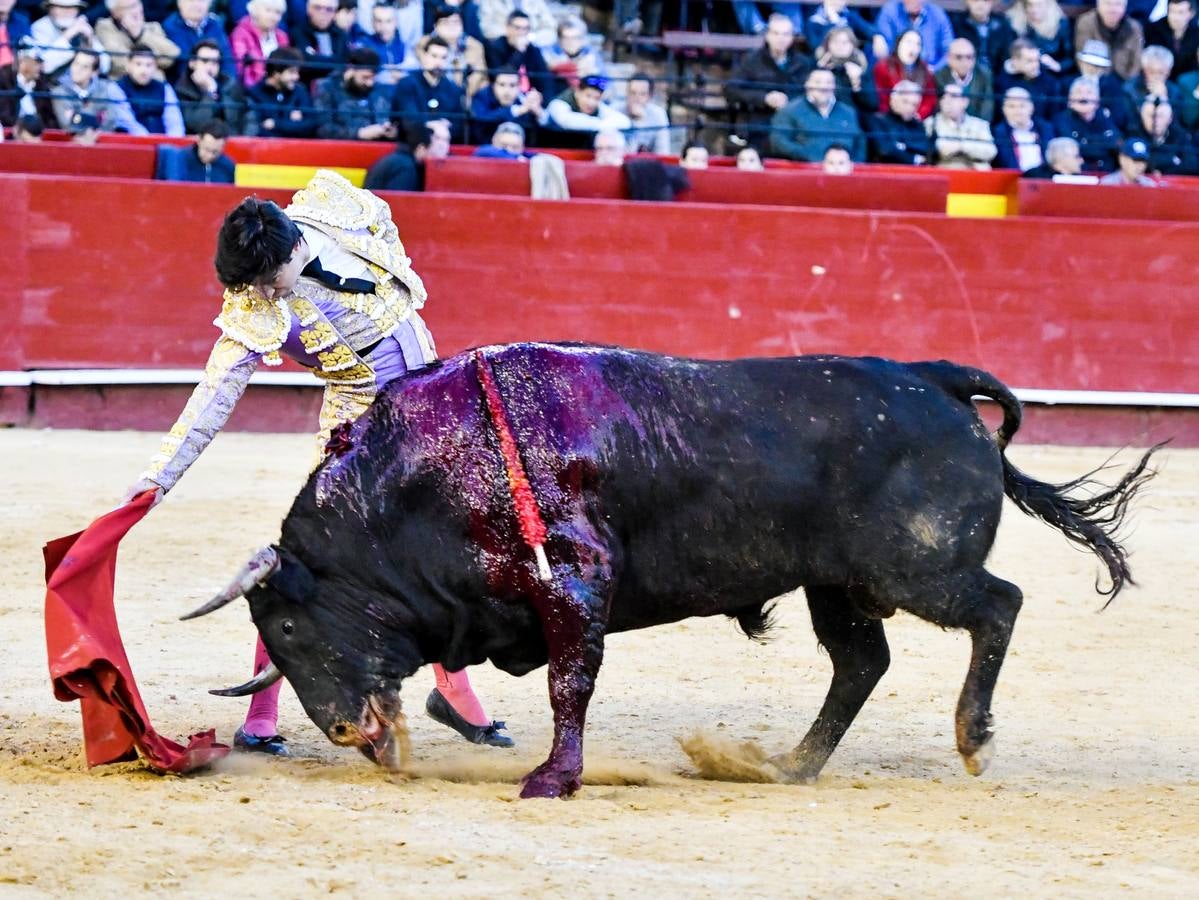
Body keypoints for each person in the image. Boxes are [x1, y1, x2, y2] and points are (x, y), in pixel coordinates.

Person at [122, 168, 513, 754]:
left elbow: (384, 226)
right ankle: (261, 715)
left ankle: (451, 691)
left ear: (293, 246)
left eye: (269, 281)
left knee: (445, 544)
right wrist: (159, 478)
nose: (265, 295)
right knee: (321, 562)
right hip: (359, 425)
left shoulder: (336, 207)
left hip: (432, 397)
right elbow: (215, 392)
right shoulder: (256, 304)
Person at [724, 13, 812, 152]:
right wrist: (764, 98)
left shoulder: (803, 63)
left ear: (792, 37)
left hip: (795, 123)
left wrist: (789, 101)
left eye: (786, 34)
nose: (780, 39)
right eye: (776, 33)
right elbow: (731, 89)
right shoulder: (751, 60)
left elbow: (810, 91)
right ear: (767, 35)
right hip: (760, 121)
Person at [771, 67, 865, 161]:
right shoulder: (789, 111)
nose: (823, 87)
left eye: (829, 82)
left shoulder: (848, 112)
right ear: (807, 84)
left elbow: (860, 143)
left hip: (843, 172)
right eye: (817, 82)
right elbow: (779, 141)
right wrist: (806, 156)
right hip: (804, 170)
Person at [391, 34, 465, 143]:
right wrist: (435, 125)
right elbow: (409, 120)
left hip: (444, 144)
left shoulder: (453, 89)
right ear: (424, 56)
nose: (438, 62)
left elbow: (459, 126)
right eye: (434, 56)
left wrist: (444, 127)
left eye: (443, 57)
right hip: (409, 145)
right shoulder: (407, 84)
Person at [313, 45, 396, 139]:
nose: (370, 83)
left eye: (373, 78)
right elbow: (323, 129)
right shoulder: (327, 87)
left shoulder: (377, 89)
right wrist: (359, 134)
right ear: (351, 69)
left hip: (377, 146)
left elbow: (385, 119)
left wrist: (391, 131)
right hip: (341, 148)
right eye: (365, 77)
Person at [51, 47, 140, 132]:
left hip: (101, 144)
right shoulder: (58, 92)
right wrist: (98, 118)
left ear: (94, 72)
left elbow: (110, 121)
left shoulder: (105, 88)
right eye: (76, 64)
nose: (77, 70)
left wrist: (76, 116)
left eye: (84, 67)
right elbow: (67, 125)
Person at [174, 38, 246, 134]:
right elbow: (196, 125)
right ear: (192, 63)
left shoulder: (229, 84)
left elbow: (236, 119)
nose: (209, 67)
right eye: (204, 61)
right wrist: (209, 91)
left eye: (215, 62)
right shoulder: (181, 89)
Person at [245, 46, 320, 137]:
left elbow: (311, 125)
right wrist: (292, 123)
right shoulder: (255, 93)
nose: (297, 77)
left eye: (297, 72)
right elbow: (259, 130)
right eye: (292, 72)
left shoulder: (300, 90)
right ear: (276, 73)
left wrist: (276, 124)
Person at [96, 0, 179, 81]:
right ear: (115, 13)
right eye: (128, 8)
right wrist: (153, 66)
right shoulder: (105, 27)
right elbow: (118, 60)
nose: (135, 11)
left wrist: (140, 35)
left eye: (136, 4)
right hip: (122, 85)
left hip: (155, 86)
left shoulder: (153, 27)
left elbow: (171, 56)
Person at [1052, 75, 1120, 173]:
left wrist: (1085, 141)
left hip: (1106, 172)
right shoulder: (1061, 120)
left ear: (1097, 100)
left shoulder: (1105, 118)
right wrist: (1101, 142)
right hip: (1075, 174)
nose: (1083, 97)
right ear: (1069, 99)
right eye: (1078, 92)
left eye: (1089, 92)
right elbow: (1072, 148)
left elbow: (1115, 143)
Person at [30, 0, 110, 79]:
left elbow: (105, 66)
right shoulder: (39, 27)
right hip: (51, 85)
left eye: (72, 7)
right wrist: (68, 35)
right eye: (61, 7)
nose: (66, 12)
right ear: (50, 9)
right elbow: (45, 66)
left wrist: (89, 41)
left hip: (82, 83)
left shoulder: (80, 25)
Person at [118, 43, 185, 134]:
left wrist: (172, 144)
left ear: (155, 67)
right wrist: (147, 141)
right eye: (138, 64)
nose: (144, 70)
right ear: (128, 65)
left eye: (149, 65)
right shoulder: (117, 88)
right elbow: (126, 122)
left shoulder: (165, 88)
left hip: (165, 144)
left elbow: (174, 122)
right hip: (132, 144)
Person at [162, 0, 236, 83]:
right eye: (191, 1)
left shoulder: (215, 24)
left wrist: (226, 86)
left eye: (201, 1)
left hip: (218, 85)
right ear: (180, 3)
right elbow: (182, 66)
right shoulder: (170, 27)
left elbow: (227, 60)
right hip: (185, 88)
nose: (196, 4)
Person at [363, 119, 451, 190]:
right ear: (422, 148)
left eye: (446, 140)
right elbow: (399, 203)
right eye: (438, 139)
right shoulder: (406, 167)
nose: (443, 145)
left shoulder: (398, 160)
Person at [926, 81, 996, 168]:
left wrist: (961, 146)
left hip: (975, 173)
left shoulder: (980, 125)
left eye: (953, 96)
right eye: (944, 97)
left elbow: (990, 151)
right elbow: (942, 150)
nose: (947, 101)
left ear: (965, 102)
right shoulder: (931, 123)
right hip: (946, 172)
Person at [468, 64, 543, 145]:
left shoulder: (524, 100)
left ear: (519, 87)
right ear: (493, 86)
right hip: (485, 150)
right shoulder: (482, 96)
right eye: (502, 85)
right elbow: (480, 120)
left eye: (512, 85)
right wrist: (516, 110)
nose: (507, 91)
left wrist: (539, 113)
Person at [483, 10, 552, 98]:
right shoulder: (495, 47)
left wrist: (544, 101)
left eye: (525, 28)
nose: (521, 33)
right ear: (508, 28)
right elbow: (502, 77)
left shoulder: (532, 50)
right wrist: (519, 52)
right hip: (503, 98)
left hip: (531, 98)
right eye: (517, 28)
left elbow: (544, 78)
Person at [995, 36, 1062, 121]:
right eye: (1029, 61)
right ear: (1015, 61)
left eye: (1037, 60)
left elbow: (1054, 115)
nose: (1035, 65)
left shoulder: (1049, 81)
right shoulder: (1001, 83)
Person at [873, 28, 936, 119]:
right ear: (898, 44)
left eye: (917, 44)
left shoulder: (924, 69)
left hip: (915, 120)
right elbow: (881, 98)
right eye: (908, 42)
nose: (913, 48)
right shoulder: (883, 67)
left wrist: (918, 115)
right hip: (890, 119)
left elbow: (929, 98)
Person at [1074, 0, 1144, 81]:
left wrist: (1129, 84)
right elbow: (1082, 56)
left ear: (1124, 7)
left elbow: (1136, 62)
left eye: (1118, 4)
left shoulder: (1135, 28)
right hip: (1093, 78)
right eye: (1108, 3)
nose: (1113, 9)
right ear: (1098, 5)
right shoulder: (1086, 22)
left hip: (1123, 82)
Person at [817, 26, 879, 117]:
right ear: (827, 45)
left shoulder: (861, 69)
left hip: (855, 119)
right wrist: (821, 69)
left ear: (853, 45)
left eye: (845, 42)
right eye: (835, 42)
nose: (840, 46)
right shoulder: (817, 67)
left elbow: (872, 104)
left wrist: (857, 81)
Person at [544, 73, 631, 137]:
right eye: (588, 96)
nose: (591, 102)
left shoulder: (599, 106)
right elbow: (569, 122)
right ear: (578, 91)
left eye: (596, 98)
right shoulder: (557, 104)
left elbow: (624, 122)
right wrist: (602, 124)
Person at [429, 5, 487, 100]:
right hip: (434, 96)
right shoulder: (424, 46)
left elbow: (480, 76)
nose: (452, 27)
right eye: (445, 22)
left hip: (467, 97)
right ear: (435, 26)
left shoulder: (474, 47)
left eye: (456, 22)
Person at [1126, 96, 1196, 174]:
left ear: (1170, 119)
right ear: (1142, 117)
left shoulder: (1179, 135)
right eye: (1151, 116)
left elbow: (1192, 163)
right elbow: (1132, 162)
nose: (1155, 121)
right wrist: (1173, 160)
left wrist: (1163, 170)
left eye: (1160, 116)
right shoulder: (1134, 133)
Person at [876, 0, 954, 69]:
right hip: (897, 74)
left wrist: (933, 70)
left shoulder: (937, 14)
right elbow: (886, 48)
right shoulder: (890, 11)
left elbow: (949, 51)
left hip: (932, 74)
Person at [230, 0, 290, 88]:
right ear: (255, 11)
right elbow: (242, 69)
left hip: (280, 89)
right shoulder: (240, 34)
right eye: (268, 11)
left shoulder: (282, 37)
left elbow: (287, 67)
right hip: (253, 92)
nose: (273, 17)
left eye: (278, 12)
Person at [0, 35, 56, 128]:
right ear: (22, 62)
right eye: (36, 62)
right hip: (11, 135)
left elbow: (49, 118)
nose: (40, 67)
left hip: (37, 136)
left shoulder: (41, 84)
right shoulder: (3, 78)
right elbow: (4, 115)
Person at [993, 85, 1054, 171]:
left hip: (1044, 179)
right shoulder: (998, 132)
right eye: (1011, 106)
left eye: (1022, 106)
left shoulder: (1045, 128)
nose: (1017, 111)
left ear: (1031, 107)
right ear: (1003, 109)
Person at [870, 79, 931, 163]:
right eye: (905, 102)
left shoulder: (917, 124)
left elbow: (925, 148)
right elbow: (885, 150)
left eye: (914, 104)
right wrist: (914, 158)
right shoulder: (879, 121)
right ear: (893, 99)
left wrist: (902, 146)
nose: (910, 108)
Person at [1005, 0, 1072, 76]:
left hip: (1052, 75)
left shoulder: (1061, 25)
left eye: (1039, 5)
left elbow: (1070, 58)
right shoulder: (1014, 24)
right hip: (1020, 75)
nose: (1034, 9)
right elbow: (1006, 55)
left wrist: (1058, 66)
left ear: (1049, 4)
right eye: (1029, 5)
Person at [805, 0, 887, 63]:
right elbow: (816, 45)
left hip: (850, 60)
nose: (838, 1)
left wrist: (877, 36)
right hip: (825, 61)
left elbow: (867, 29)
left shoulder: (849, 16)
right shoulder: (814, 21)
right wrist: (834, 21)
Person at [541, 14, 604, 96]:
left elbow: (604, 82)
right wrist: (576, 67)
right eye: (566, 38)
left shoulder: (590, 53)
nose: (570, 42)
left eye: (575, 38)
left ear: (582, 39)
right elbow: (548, 65)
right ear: (559, 40)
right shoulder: (550, 51)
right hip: (556, 97)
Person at [935, 36, 994, 122]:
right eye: (959, 57)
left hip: (977, 127)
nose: (964, 62)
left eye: (969, 57)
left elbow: (987, 108)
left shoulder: (984, 76)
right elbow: (938, 107)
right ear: (948, 58)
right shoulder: (940, 77)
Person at [160, 117, 236, 182]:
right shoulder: (179, 159)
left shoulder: (228, 165)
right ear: (199, 140)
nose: (210, 156)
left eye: (215, 152)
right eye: (207, 149)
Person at [292, 0, 349, 86]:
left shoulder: (341, 35)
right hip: (306, 86)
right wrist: (333, 61)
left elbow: (343, 62)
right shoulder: (297, 32)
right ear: (308, 9)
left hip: (336, 88)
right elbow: (304, 63)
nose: (323, 13)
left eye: (329, 9)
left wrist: (316, 59)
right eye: (317, 8)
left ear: (335, 13)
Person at [1076, 37, 1129, 129]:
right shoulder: (1069, 83)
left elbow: (1118, 117)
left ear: (1103, 68)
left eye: (1096, 66)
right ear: (1081, 63)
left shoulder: (1112, 87)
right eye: (1088, 64)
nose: (1091, 69)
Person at [1122, 45, 1183, 124]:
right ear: (1144, 70)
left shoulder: (1175, 92)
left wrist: (1165, 99)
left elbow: (1178, 126)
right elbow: (1130, 124)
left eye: (1161, 73)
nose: (1156, 77)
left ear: (1168, 72)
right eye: (1151, 72)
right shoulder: (1129, 89)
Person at [949, 0, 1014, 72]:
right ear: (967, 1)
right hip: (966, 75)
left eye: (985, 0)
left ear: (992, 2)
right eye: (975, 0)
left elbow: (1007, 57)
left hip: (996, 77)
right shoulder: (956, 22)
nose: (980, 4)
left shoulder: (1002, 25)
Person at [1145, 0, 1199, 78]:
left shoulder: (1196, 34)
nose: (1175, 17)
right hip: (1160, 79)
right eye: (1172, 11)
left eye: (1180, 12)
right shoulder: (1154, 30)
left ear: (1191, 14)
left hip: (1186, 83)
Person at [620, 72, 669, 155]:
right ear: (626, 93)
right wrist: (638, 123)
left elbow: (663, 152)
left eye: (642, 94)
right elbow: (625, 153)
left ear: (650, 97)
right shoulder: (615, 111)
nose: (636, 98)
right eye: (632, 93)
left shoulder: (658, 115)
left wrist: (640, 122)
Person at [478, 0, 555, 47]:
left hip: (534, 48)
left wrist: (530, 38)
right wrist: (513, 36)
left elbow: (551, 29)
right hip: (504, 50)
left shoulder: (536, 2)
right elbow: (486, 28)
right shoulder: (489, 1)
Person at [1022, 135, 1090, 178]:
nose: (1081, 161)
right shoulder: (1034, 177)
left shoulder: (1081, 180)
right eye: (1076, 156)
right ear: (1061, 158)